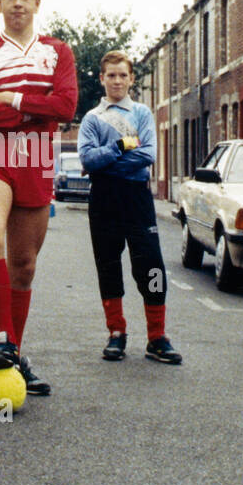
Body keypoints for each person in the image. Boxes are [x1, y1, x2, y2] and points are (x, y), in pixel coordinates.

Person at [0, 0, 77, 395]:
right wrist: (40, 107)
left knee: (24, 267)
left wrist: (13, 99)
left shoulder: (58, 52)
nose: (17, 3)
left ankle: (14, 352)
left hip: (36, 157)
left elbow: (66, 107)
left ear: (36, 3)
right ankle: (1, 339)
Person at [78, 50, 183, 364]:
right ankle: (116, 333)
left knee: (151, 265)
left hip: (137, 196)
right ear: (102, 78)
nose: (117, 81)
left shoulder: (142, 114)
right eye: (111, 75)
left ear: (132, 78)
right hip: (104, 198)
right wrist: (122, 145)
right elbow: (87, 158)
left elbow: (148, 154)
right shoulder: (92, 118)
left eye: (123, 75)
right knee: (108, 265)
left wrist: (107, 160)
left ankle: (157, 337)